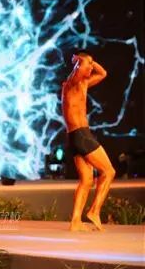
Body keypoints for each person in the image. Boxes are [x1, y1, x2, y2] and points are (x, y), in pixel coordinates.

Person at [62, 52, 115, 231]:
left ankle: (75, 221)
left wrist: (89, 61)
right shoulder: (71, 84)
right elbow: (76, 73)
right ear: (78, 66)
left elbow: (103, 73)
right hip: (82, 136)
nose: (91, 67)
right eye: (88, 64)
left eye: (92, 64)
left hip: (75, 137)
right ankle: (94, 211)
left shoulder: (83, 84)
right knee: (109, 172)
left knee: (86, 180)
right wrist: (79, 61)